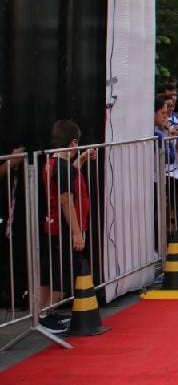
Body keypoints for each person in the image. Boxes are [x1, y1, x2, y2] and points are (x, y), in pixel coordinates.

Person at [38, 120, 95, 334]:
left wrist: (80, 160)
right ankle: (46, 314)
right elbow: (66, 201)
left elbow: (65, 180)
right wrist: (76, 232)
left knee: (49, 271)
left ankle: (45, 313)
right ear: (72, 143)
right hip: (62, 229)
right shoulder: (61, 168)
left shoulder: (54, 163)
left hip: (54, 226)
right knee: (60, 274)